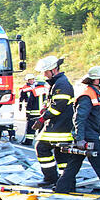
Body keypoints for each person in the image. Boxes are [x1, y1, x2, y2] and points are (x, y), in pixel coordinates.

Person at [55, 64, 100, 200]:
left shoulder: (94, 94)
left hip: (85, 137)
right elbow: (79, 118)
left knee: (73, 166)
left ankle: (61, 190)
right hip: (88, 138)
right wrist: (80, 139)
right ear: (96, 80)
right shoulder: (87, 95)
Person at [32, 56, 74, 187]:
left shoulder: (62, 84)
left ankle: (52, 179)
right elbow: (54, 103)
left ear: (54, 70)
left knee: (41, 147)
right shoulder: (58, 83)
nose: (44, 75)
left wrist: (42, 119)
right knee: (61, 156)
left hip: (59, 127)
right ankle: (64, 182)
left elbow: (58, 107)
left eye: (46, 72)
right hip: (60, 126)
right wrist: (45, 108)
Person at [18, 73, 47, 145]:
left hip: (34, 113)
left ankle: (28, 141)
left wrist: (28, 113)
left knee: (31, 127)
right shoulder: (47, 90)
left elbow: (30, 102)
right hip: (44, 113)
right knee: (42, 127)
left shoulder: (34, 90)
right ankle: (42, 142)